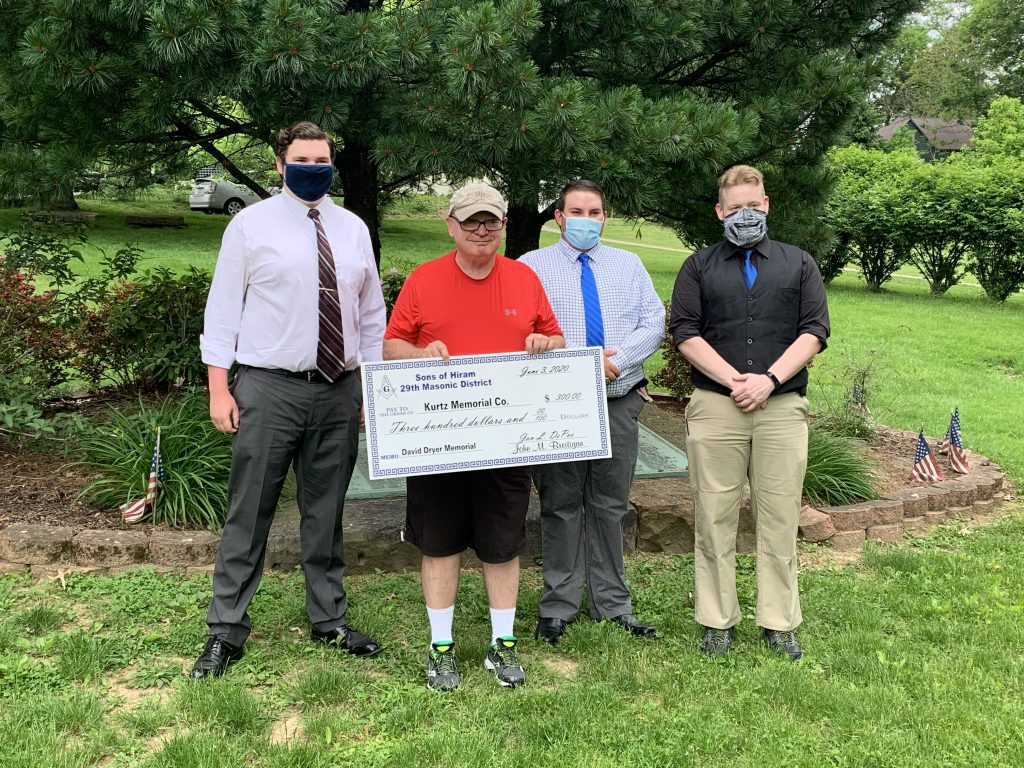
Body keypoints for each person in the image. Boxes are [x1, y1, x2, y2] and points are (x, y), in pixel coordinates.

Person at [193, 121, 387, 678]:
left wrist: (370, 387)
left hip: (338, 390)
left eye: (321, 159)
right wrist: (218, 387)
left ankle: (329, 619)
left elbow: (370, 316)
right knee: (249, 510)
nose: (312, 168)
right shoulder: (249, 226)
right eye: (301, 159)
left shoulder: (352, 229)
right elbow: (223, 311)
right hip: (268, 389)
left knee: (325, 513)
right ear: (279, 165)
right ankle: (225, 631)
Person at [383, 181, 565, 690]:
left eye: (491, 221)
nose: (482, 230)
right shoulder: (423, 280)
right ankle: (440, 647)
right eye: (471, 222)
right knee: (439, 545)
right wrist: (420, 355)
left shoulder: (524, 278)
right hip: (439, 435)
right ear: (452, 226)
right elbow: (391, 344)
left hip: (506, 438)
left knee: (502, 546)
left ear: (504, 225)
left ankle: (501, 645)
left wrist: (542, 342)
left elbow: (556, 336)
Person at [668, 165, 830, 660]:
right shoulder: (698, 266)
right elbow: (685, 333)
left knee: (779, 516)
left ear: (767, 205)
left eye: (753, 205)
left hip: (781, 407)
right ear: (720, 212)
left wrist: (769, 380)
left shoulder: (799, 264)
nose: (745, 214)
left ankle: (779, 621)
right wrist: (734, 380)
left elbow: (814, 331)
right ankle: (717, 620)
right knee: (714, 515)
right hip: (717, 407)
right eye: (734, 207)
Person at [519, 180, 664, 645]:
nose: (586, 219)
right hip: (558, 408)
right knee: (560, 505)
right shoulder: (530, 268)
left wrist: (614, 362)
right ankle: (558, 604)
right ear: (559, 217)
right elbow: (525, 331)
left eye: (595, 212)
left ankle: (612, 602)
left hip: (619, 399)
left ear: (605, 217)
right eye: (576, 211)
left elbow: (653, 321)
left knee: (610, 504)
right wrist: (583, 363)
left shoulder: (629, 265)